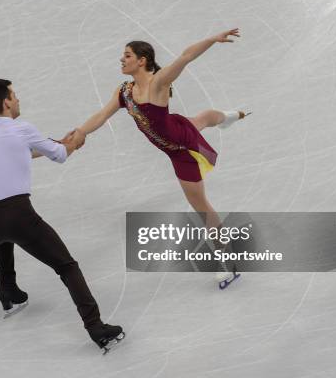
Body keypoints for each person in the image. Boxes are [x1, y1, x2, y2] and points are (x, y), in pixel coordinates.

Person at [73, 29, 250, 289]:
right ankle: (228, 116)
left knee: (200, 204)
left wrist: (211, 39)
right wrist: (80, 132)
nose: (122, 60)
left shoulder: (158, 83)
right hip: (174, 130)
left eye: (127, 55)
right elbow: (102, 115)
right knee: (200, 120)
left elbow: (186, 56)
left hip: (181, 150)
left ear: (142, 60)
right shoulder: (124, 91)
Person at [0, 78, 125, 352]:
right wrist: (75, 141)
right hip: (15, 215)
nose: (18, 100)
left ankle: (8, 291)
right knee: (66, 266)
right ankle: (96, 327)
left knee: (4, 236)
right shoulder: (22, 127)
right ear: (6, 102)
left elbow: (23, 153)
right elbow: (60, 155)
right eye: (14, 96)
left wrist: (57, 144)